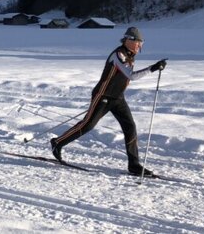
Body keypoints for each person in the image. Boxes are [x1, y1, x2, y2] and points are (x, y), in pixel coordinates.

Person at [50, 26, 166, 177]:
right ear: (128, 40)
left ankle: (134, 165)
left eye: (141, 43)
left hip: (118, 98)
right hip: (102, 96)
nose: (140, 46)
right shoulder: (118, 54)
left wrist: (156, 67)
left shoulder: (130, 55)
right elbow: (131, 76)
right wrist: (153, 68)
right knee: (87, 125)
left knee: (130, 126)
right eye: (138, 42)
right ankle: (57, 143)